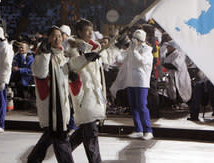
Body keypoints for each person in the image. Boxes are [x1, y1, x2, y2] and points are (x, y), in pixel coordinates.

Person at [27, 26, 74, 163]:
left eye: (59, 36)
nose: (57, 39)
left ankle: (33, 159)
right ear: (47, 38)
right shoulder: (42, 54)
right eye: (54, 36)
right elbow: (41, 73)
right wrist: (45, 53)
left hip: (61, 105)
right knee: (60, 137)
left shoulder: (61, 55)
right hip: (51, 106)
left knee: (50, 135)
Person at [68, 18, 105, 163]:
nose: (91, 33)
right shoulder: (73, 49)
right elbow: (72, 66)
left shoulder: (94, 47)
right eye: (87, 30)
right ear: (79, 32)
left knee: (85, 131)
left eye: (92, 29)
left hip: (94, 93)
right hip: (83, 93)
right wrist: (85, 58)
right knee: (91, 131)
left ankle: (63, 151)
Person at [114, 29, 154, 140]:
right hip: (131, 81)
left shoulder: (147, 51)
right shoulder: (131, 49)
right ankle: (138, 129)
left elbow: (141, 61)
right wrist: (118, 48)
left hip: (141, 82)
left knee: (141, 106)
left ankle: (148, 130)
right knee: (133, 106)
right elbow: (120, 59)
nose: (134, 41)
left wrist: (135, 50)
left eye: (136, 39)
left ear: (141, 40)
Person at [161, 40, 192, 107]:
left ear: (173, 47)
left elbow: (175, 65)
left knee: (180, 89)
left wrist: (165, 65)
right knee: (173, 89)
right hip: (172, 75)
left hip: (180, 75)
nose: (167, 48)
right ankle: (175, 102)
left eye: (169, 47)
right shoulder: (168, 54)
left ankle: (182, 102)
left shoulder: (179, 54)